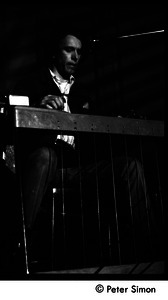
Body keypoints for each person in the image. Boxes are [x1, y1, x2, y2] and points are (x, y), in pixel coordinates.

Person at [14, 26, 158, 269]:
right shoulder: (32, 82)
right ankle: (20, 246)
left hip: (77, 168)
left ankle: (149, 251)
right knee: (45, 156)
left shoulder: (83, 91)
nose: (75, 57)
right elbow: (16, 121)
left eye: (79, 52)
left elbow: (94, 135)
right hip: (45, 167)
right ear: (54, 53)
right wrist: (37, 108)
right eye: (69, 50)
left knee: (130, 167)